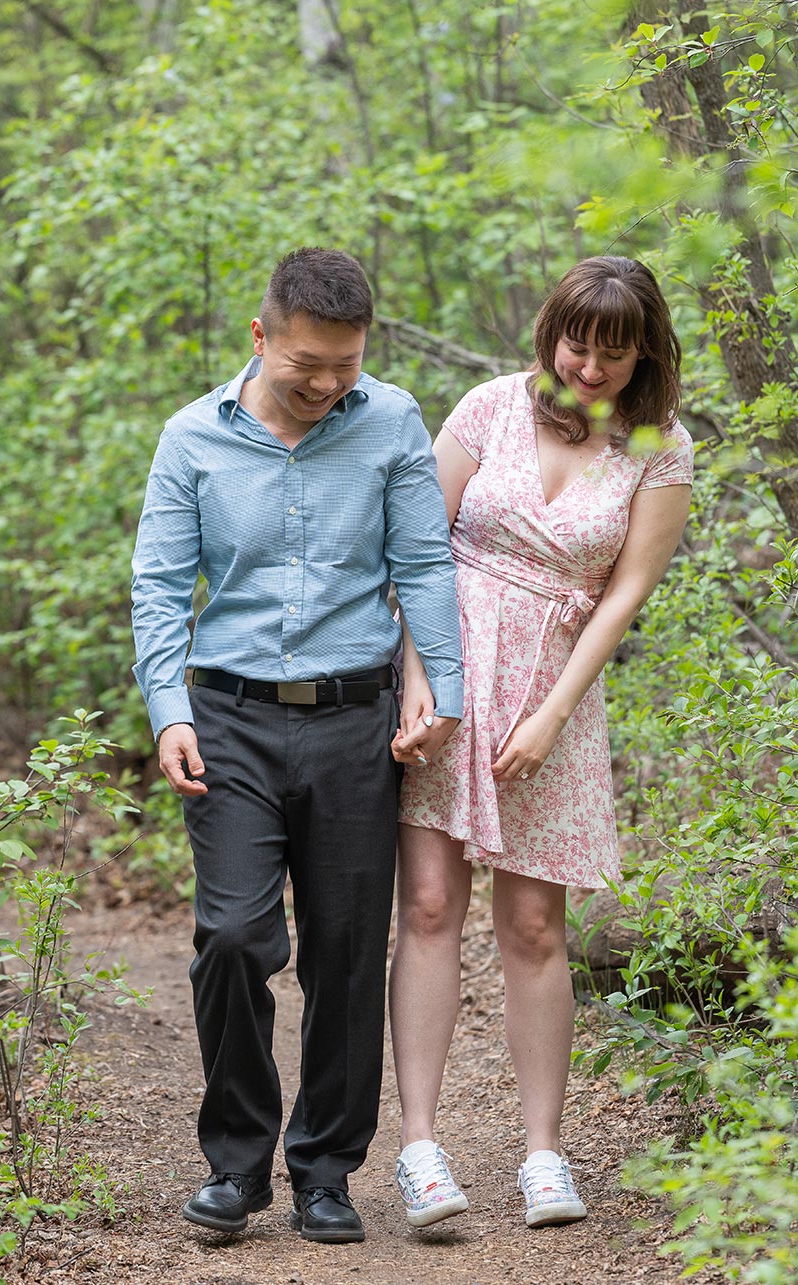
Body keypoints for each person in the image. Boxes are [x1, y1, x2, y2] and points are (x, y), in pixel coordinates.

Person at [130, 247, 463, 1244]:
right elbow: (157, 586)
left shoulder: (392, 421)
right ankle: (236, 1167)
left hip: (357, 718)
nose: (324, 384)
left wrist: (440, 690)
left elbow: (424, 564)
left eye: (344, 365)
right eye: (304, 364)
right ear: (259, 336)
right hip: (227, 715)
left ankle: (326, 1168)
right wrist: (167, 707)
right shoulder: (191, 439)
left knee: (348, 948)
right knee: (233, 936)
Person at [388, 256, 694, 1230]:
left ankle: (541, 1153)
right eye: (575, 342)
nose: (590, 366)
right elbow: (414, 550)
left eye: (612, 348)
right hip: (446, 671)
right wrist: (418, 686)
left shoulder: (660, 448)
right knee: (430, 903)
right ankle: (421, 1147)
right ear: (548, 332)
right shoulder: (486, 408)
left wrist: (553, 714)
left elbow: (622, 598)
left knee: (531, 928)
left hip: (552, 695)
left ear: (644, 348)